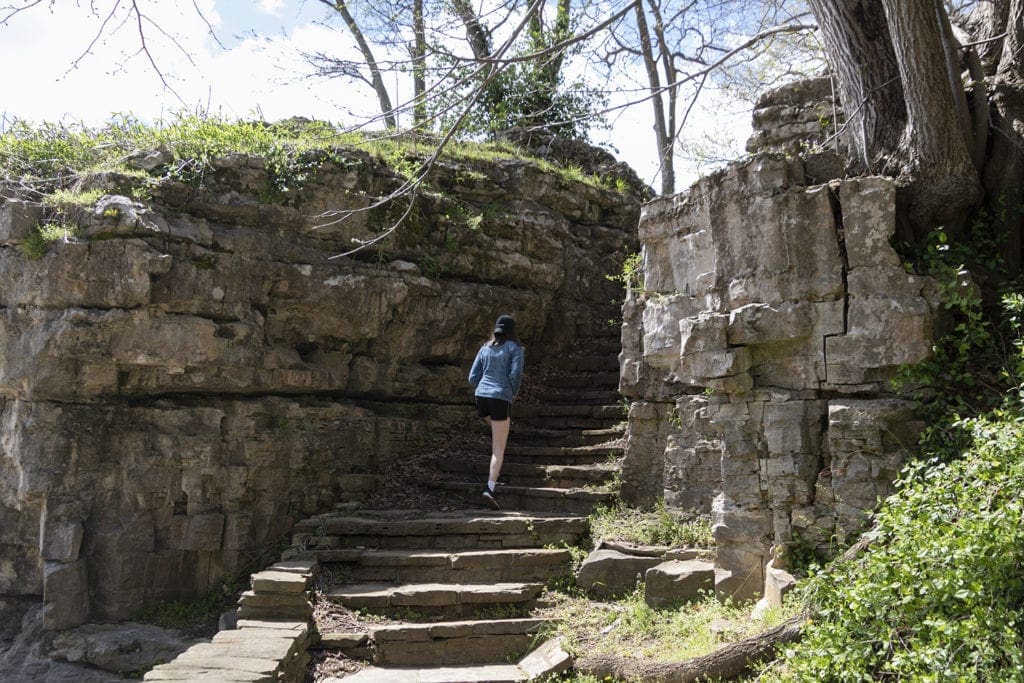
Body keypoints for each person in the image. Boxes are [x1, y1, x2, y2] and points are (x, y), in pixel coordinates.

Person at [468, 314, 525, 510]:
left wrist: (482, 387)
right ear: (512, 331)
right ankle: (490, 488)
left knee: (497, 432)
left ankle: (492, 481)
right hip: (500, 397)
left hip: (481, 398)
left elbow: (472, 377)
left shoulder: (484, 348)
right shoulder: (515, 349)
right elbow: (516, 374)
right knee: (498, 448)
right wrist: (512, 392)